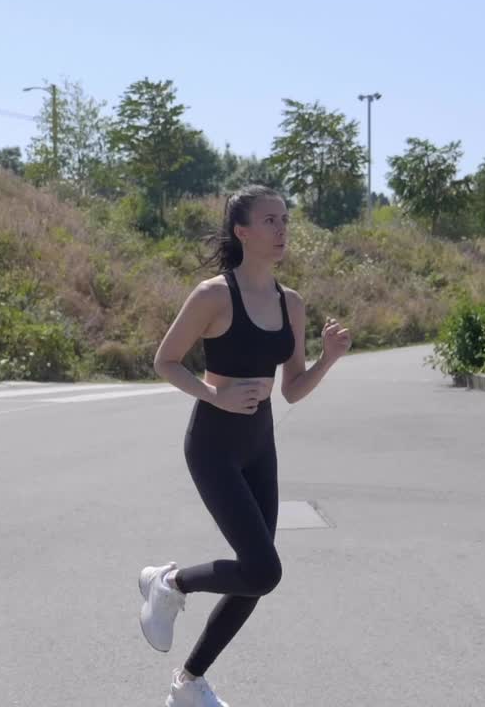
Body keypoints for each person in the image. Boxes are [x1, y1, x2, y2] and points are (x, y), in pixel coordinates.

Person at [142, 185, 352, 706]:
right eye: (270, 221)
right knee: (263, 569)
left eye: (285, 220)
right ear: (242, 231)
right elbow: (165, 361)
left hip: (260, 446)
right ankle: (170, 581)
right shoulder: (214, 295)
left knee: (254, 576)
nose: (282, 230)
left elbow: (292, 389)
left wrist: (328, 359)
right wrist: (213, 392)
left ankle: (189, 683)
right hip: (213, 445)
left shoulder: (292, 304)